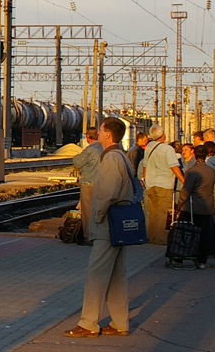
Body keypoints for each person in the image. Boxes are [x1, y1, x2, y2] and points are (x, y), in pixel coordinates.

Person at [64, 117, 135, 338]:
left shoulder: (112, 158)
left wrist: (97, 216)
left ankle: (88, 323)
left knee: (95, 274)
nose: (99, 133)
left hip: (108, 224)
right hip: (118, 224)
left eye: (101, 129)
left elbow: (107, 193)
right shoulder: (121, 155)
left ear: (108, 134)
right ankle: (120, 322)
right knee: (116, 275)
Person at [141, 124, 183, 245]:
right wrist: (183, 180)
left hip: (150, 183)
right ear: (163, 134)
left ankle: (152, 236)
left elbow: (145, 164)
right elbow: (174, 166)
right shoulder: (167, 149)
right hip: (164, 183)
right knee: (161, 212)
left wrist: (145, 179)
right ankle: (159, 238)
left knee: (152, 211)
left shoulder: (149, 146)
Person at [178, 145, 215, 269]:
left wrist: (179, 204)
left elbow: (186, 191)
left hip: (192, 207)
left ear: (194, 154)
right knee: (204, 234)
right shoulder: (212, 171)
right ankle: (202, 261)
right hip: (207, 207)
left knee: (184, 231)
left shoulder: (191, 172)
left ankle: (181, 257)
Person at [72, 128, 103, 230]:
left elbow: (77, 162)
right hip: (102, 183)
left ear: (88, 137)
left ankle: (88, 235)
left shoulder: (90, 150)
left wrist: (77, 156)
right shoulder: (103, 148)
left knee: (88, 211)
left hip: (89, 183)